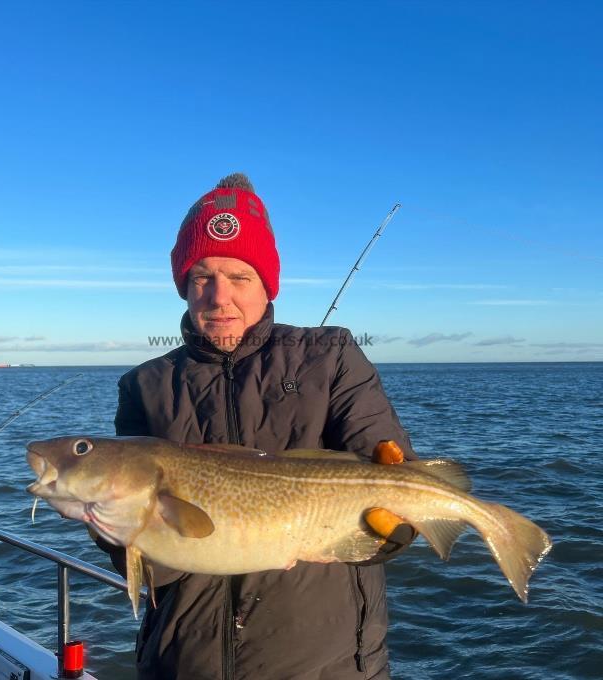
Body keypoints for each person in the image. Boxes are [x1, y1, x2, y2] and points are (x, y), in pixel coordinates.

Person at [93, 173, 417, 680]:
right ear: (183, 285)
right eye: (202, 276)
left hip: (325, 665)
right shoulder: (144, 385)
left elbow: (397, 493)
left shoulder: (330, 357)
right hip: (182, 663)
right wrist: (115, 524)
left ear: (268, 284)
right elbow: (153, 569)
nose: (219, 297)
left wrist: (393, 526)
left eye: (240, 277)